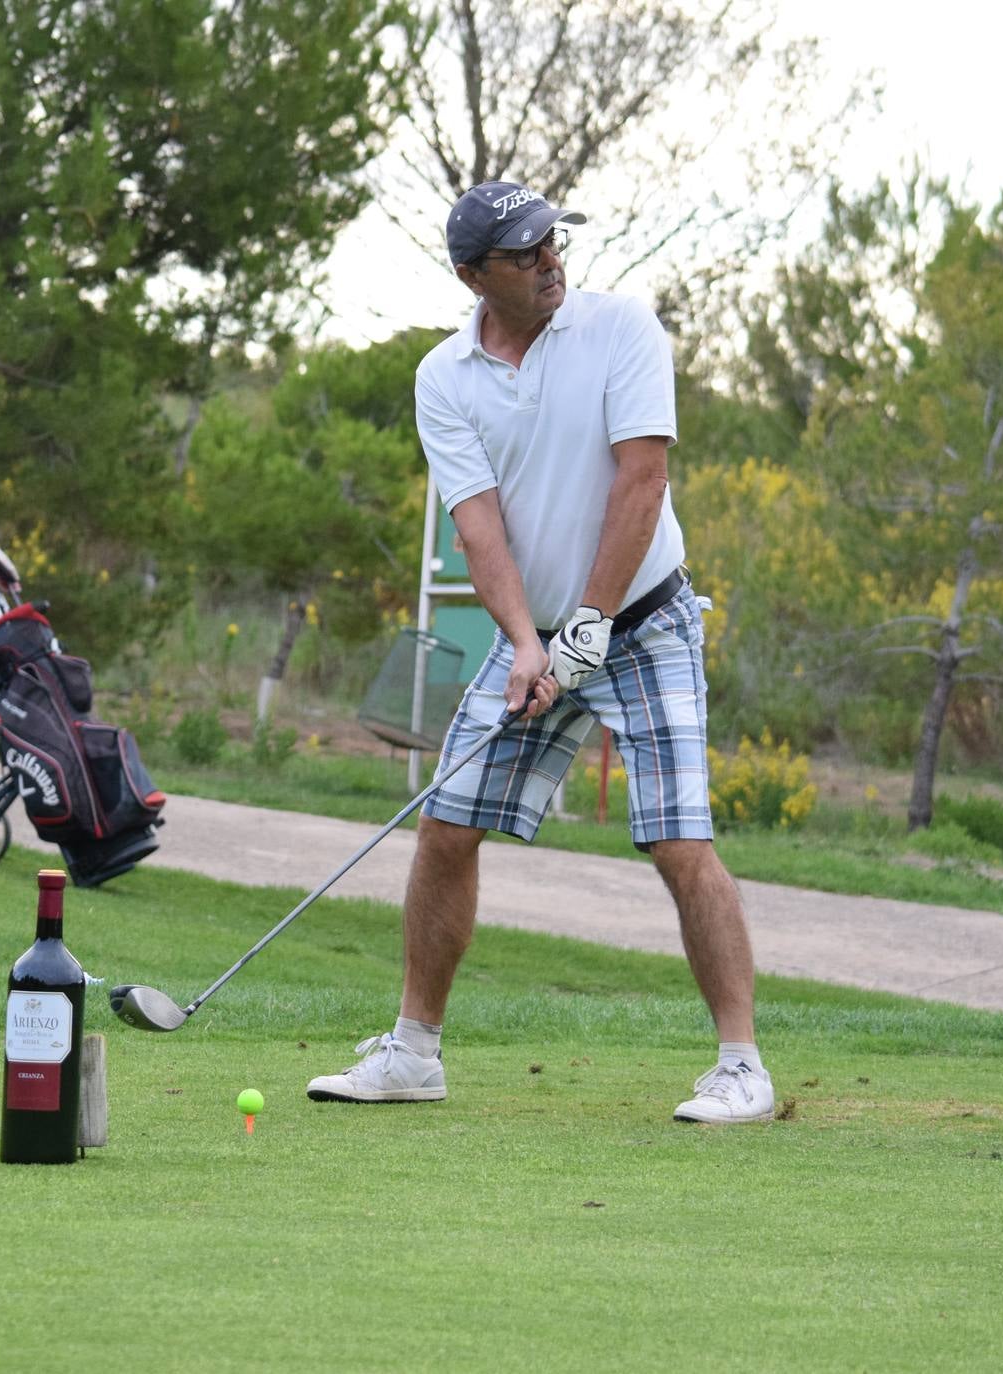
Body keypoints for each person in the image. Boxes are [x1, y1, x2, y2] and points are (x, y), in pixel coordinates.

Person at [306, 181, 774, 1124]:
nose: (550, 260)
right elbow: (480, 531)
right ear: (474, 275)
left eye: (551, 243)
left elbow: (642, 484)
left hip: (645, 622)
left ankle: (740, 1068)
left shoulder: (620, 329)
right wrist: (526, 644)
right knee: (445, 827)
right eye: (524, 255)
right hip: (543, 638)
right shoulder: (443, 378)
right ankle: (414, 1053)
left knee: (678, 838)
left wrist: (592, 623)